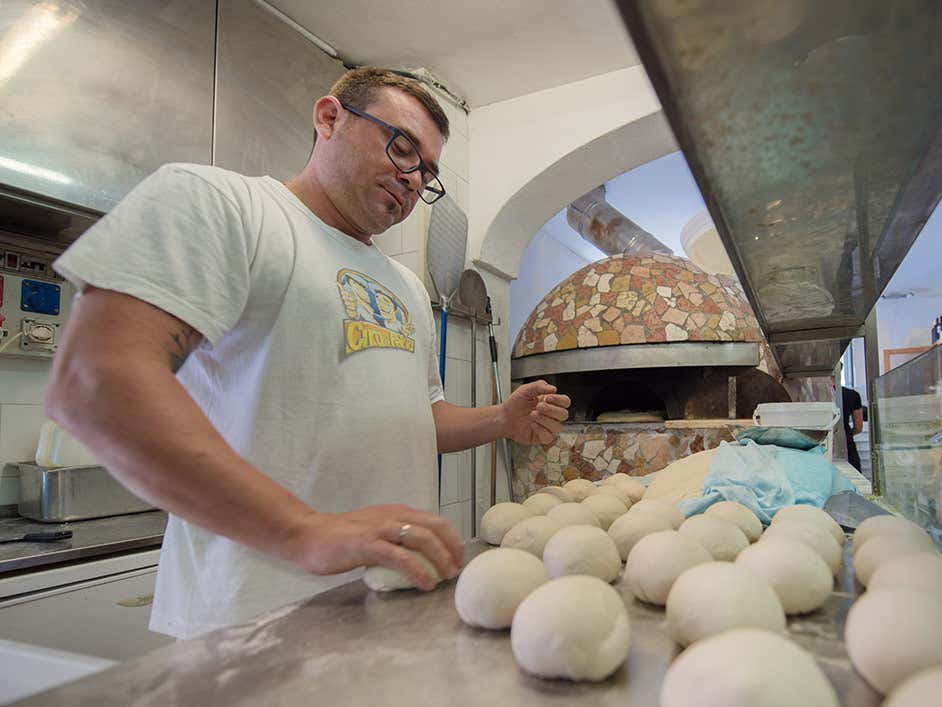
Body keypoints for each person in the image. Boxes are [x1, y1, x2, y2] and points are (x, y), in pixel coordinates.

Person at [43, 68, 570, 639]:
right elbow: (95, 382)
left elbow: (421, 420)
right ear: (329, 118)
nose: (412, 177)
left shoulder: (406, 286)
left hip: (390, 600)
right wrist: (303, 530)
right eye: (401, 147)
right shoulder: (222, 204)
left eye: (427, 171)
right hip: (250, 616)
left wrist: (501, 419)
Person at [841, 385, 864, 472]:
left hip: (818, 446)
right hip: (847, 444)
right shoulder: (852, 395)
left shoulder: (813, 394)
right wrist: (845, 434)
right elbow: (858, 427)